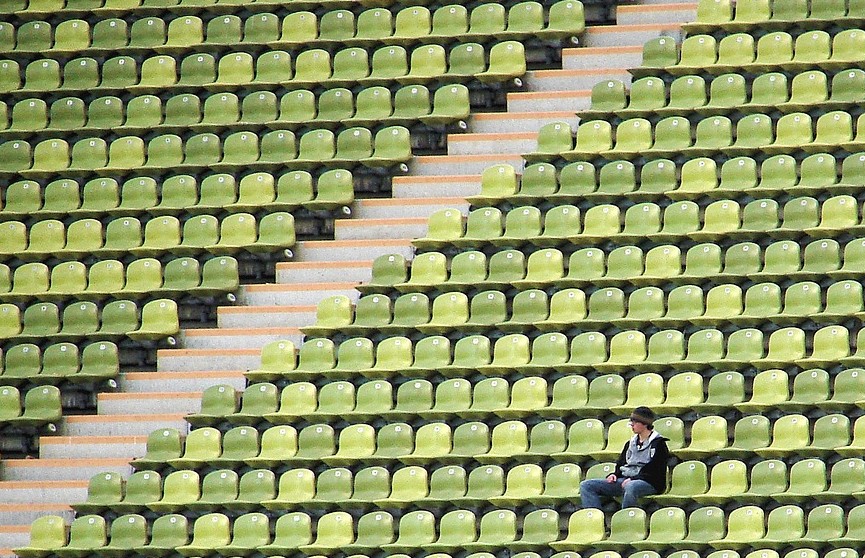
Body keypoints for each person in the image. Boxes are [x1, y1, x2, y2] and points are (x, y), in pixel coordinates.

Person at [579, 406, 670, 509]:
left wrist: (633, 479)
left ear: (645, 423)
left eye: (635, 422)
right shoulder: (630, 443)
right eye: (631, 421)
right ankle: (596, 519)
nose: (632, 424)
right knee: (586, 485)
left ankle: (626, 519)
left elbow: (656, 471)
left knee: (630, 486)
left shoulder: (659, 444)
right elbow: (621, 463)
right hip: (625, 479)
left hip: (649, 482)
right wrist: (614, 474)